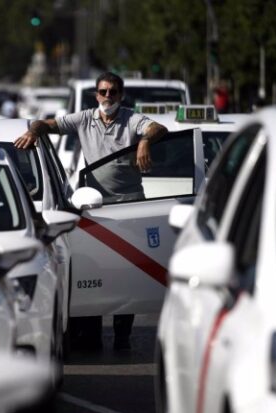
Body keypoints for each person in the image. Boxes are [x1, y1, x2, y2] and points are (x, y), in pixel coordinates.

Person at [14, 71, 168, 351]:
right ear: (96, 94)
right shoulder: (84, 118)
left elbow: (159, 128)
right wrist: (33, 131)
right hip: (93, 206)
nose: (108, 97)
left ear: (121, 95)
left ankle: (123, 336)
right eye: (103, 91)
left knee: (128, 273)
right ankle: (92, 334)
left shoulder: (131, 118)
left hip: (129, 206)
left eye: (113, 92)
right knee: (95, 272)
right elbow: (45, 124)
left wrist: (145, 141)